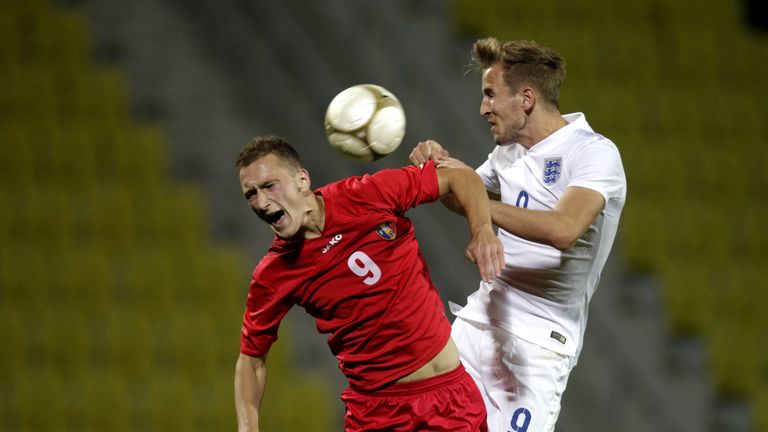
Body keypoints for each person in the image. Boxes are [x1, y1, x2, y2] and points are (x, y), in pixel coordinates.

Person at [409, 37, 627, 432]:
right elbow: (459, 197)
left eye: (491, 95)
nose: (482, 109)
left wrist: (479, 204)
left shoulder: (593, 153)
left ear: (526, 98)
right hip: (477, 325)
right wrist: (441, 169)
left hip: (537, 348)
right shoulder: (508, 153)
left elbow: (564, 229)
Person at [233, 135, 504, 431]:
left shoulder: (365, 195)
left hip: (451, 400)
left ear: (301, 180)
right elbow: (251, 359)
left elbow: (458, 176)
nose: (261, 202)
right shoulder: (273, 273)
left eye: (270, 185)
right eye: (250, 194)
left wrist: (482, 231)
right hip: (378, 414)